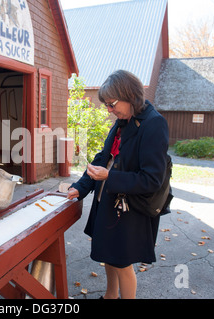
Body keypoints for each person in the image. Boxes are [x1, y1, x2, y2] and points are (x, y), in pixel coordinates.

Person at [67, 70, 170, 299]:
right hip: (108, 202)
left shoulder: (154, 124)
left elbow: (152, 179)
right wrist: (81, 187)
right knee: (109, 255)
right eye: (107, 105)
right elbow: (103, 158)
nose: (110, 111)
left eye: (112, 104)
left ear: (129, 95)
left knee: (122, 263)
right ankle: (110, 296)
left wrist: (109, 177)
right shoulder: (122, 121)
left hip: (130, 208)